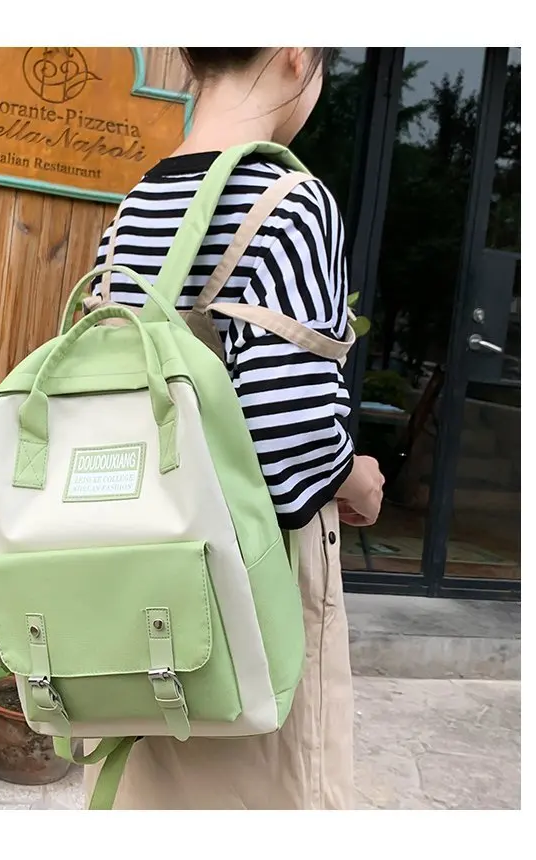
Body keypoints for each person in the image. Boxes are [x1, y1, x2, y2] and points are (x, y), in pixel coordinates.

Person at [84, 47, 385, 810]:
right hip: (250, 581)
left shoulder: (134, 208)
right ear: (294, 53)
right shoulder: (290, 202)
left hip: (136, 564)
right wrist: (357, 477)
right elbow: (290, 451)